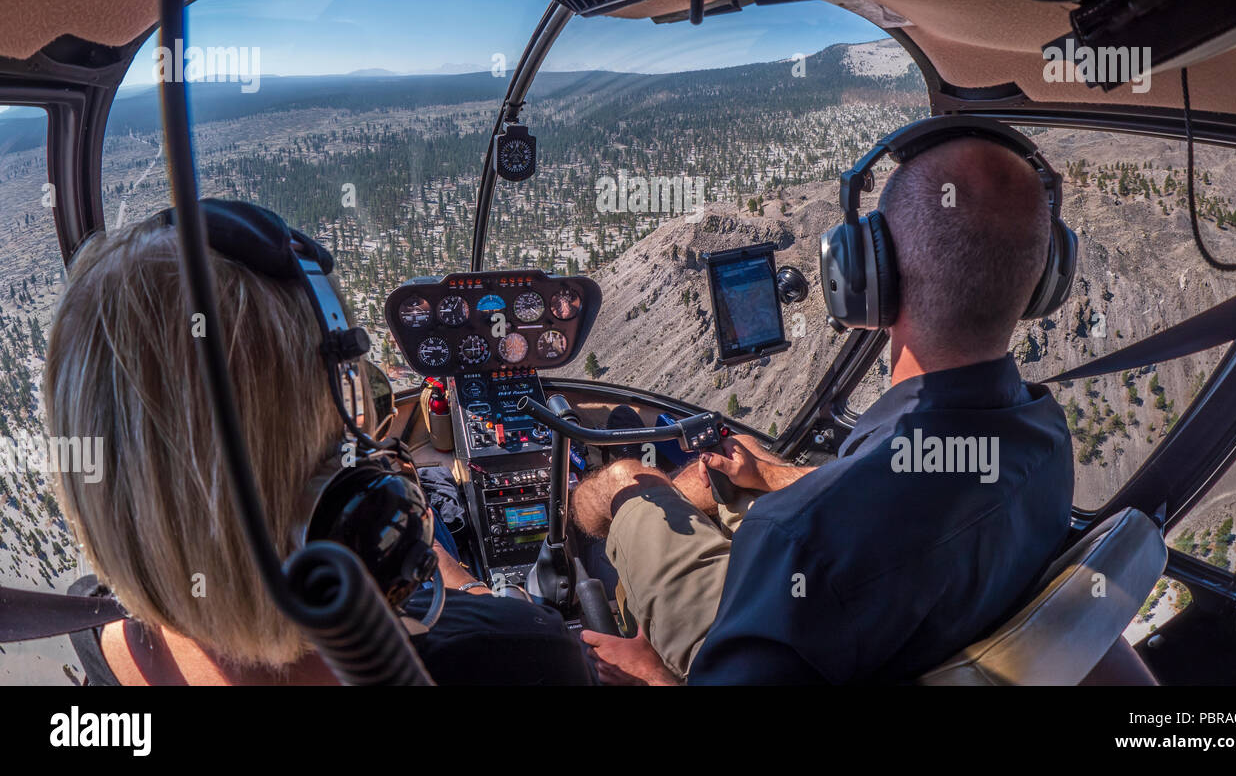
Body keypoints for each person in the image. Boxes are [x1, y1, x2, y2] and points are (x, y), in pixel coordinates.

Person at [572, 136, 1075, 685]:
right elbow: (891, 488)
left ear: (864, 278)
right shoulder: (1047, 439)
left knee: (624, 479)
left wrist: (653, 675)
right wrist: (770, 473)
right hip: (887, 625)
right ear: (1045, 278)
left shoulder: (791, 534)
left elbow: (837, 524)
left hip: (777, 627)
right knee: (717, 483)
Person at [44, 213, 590, 686]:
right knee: (434, 505)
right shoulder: (514, 653)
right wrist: (477, 590)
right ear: (341, 514)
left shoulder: (95, 633)